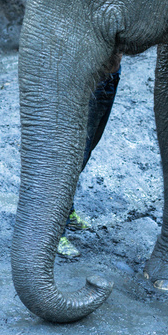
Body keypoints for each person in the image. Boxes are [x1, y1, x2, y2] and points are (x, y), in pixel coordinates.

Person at [57, 55, 121, 257]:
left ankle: (67, 212)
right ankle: (54, 230)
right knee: (73, 155)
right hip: (89, 80)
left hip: (110, 77)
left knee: (86, 149)